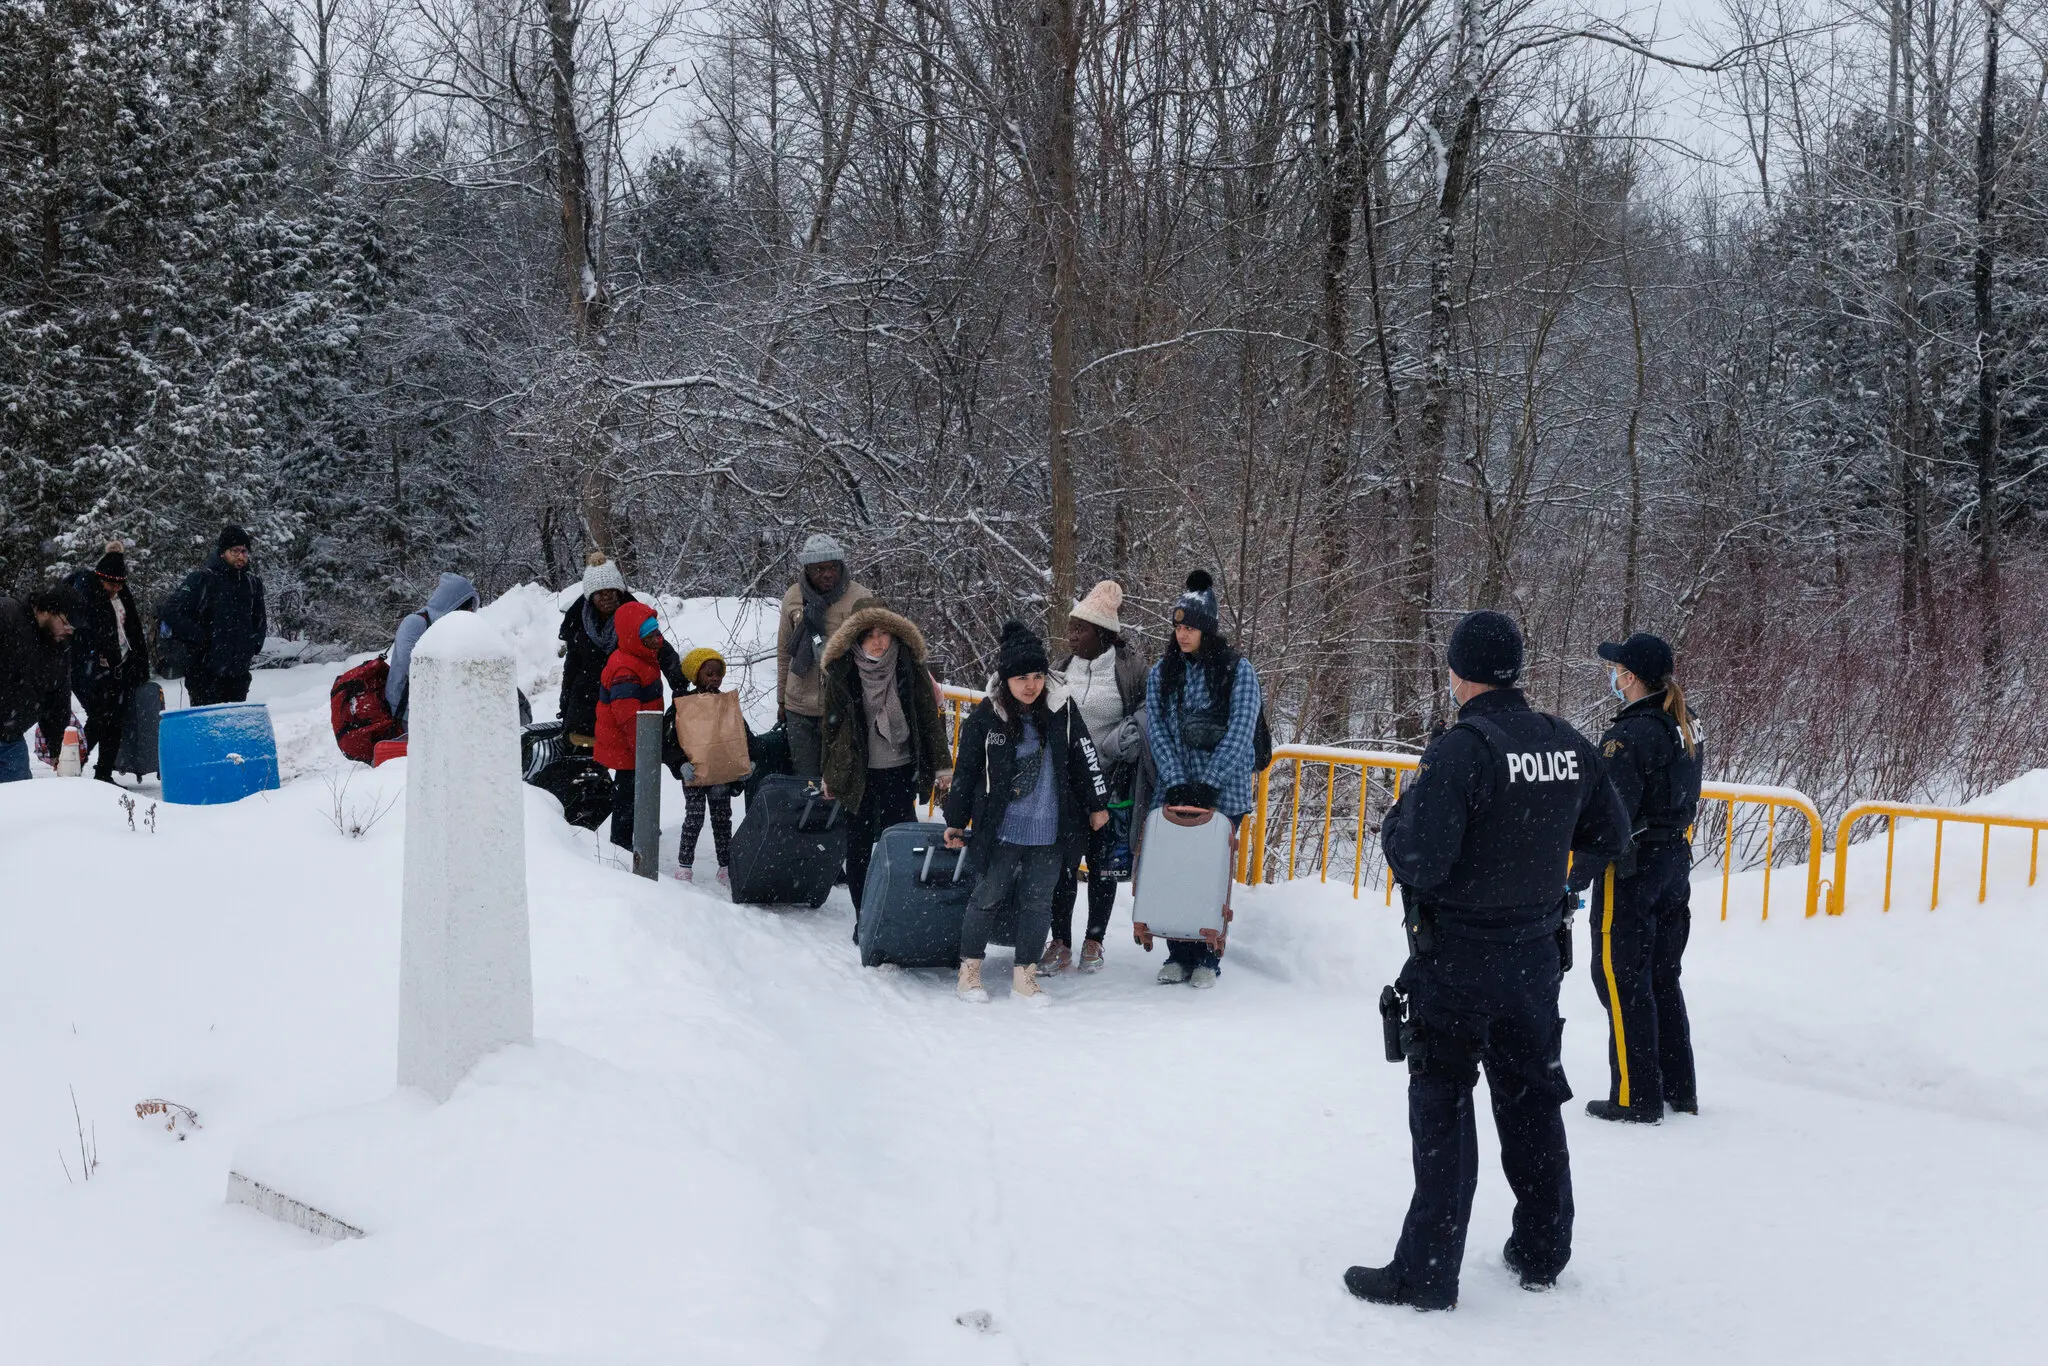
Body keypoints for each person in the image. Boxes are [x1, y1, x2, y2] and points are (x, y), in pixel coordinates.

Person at [1345, 609, 1629, 1312]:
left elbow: (1424, 860)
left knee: (1443, 1106)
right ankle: (1542, 1249)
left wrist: (1393, 827)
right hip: (1534, 959)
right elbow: (1613, 832)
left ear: (1458, 673)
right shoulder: (1565, 743)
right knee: (1532, 1100)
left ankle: (1427, 1272)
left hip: (1458, 961)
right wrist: (1565, 884)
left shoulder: (1461, 751)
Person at [942, 622, 1110, 1005]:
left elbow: (1085, 756)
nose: (1031, 685)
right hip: (1000, 829)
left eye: (1037, 676)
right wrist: (955, 820)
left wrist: (1098, 803)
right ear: (1006, 679)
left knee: (1038, 902)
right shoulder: (987, 716)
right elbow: (966, 771)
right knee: (986, 897)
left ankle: (1026, 975)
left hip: (1050, 828)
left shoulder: (1061, 708)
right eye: (1021, 678)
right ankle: (969, 971)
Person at [1587, 631, 1706, 1123]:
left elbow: (1609, 820)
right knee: (1661, 974)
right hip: (1673, 862)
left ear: (1631, 677)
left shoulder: (1628, 736)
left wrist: (1574, 876)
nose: (1613, 677)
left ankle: (1636, 1096)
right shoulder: (1684, 722)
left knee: (1619, 977)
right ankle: (1678, 1087)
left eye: (1617, 670)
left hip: (1632, 869)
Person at [1143, 570, 1264, 989]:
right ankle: (1178, 953)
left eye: (1190, 626)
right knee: (1176, 871)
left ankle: (1209, 957)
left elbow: (1241, 730)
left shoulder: (1238, 670)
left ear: (1206, 628)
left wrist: (1211, 782)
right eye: (1178, 626)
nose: (1182, 634)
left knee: (1212, 874)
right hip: (1175, 787)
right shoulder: (1163, 671)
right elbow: (1156, 727)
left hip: (1223, 790)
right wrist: (1176, 779)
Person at [819, 603, 951, 928]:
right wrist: (829, 774)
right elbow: (831, 729)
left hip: (902, 770)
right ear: (856, 638)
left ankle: (899, 912)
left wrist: (942, 767)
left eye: (883, 633)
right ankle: (863, 917)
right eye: (869, 636)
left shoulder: (908, 664)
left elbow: (927, 719)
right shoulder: (843, 671)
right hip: (858, 774)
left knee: (902, 842)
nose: (878, 642)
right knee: (860, 845)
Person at [1041, 580, 1147, 975]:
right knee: (1063, 866)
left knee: (1103, 867)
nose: (1071, 635)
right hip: (1066, 787)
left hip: (1111, 784)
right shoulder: (1063, 667)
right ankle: (1061, 942)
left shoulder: (1130, 670)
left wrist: (1125, 740)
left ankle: (1094, 940)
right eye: (1070, 628)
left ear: (1101, 633)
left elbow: (1144, 716)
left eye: (1079, 629)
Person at [558, 552, 688, 750]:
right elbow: (572, 666)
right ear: (591, 596)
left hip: (629, 702)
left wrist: (679, 683)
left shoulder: (636, 616)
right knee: (588, 765)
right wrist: (565, 704)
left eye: (612, 590)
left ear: (620, 591)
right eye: (600, 592)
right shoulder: (579, 622)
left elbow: (661, 648)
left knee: (628, 760)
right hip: (586, 706)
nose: (607, 596)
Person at [778, 534, 877, 777]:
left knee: (841, 778)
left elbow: (875, 654)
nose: (827, 574)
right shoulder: (793, 597)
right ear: (807, 569)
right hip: (799, 706)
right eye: (819, 568)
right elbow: (783, 653)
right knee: (806, 781)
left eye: (833, 566)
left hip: (842, 705)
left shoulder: (861, 597)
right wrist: (781, 700)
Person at [65, 542, 149, 782]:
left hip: (117, 668)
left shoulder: (121, 595)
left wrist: (137, 661)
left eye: (120, 584)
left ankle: (103, 772)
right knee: (100, 717)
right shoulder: (85, 594)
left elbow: (132, 628)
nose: (116, 588)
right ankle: (73, 762)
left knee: (115, 720)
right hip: (88, 669)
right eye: (112, 584)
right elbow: (83, 634)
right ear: (100, 578)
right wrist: (98, 653)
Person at [162, 526, 267, 705]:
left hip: (238, 675)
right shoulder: (202, 579)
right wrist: (200, 638)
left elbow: (260, 620)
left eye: (244, 551)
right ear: (222, 552)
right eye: (235, 551)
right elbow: (170, 611)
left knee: (233, 729)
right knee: (206, 730)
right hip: (204, 674)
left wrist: (253, 645)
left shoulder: (252, 584)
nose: (241, 556)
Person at [595, 602, 668, 852]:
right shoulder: (625, 668)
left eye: (658, 633)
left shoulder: (640, 658)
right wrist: (645, 752)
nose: (659, 640)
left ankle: (633, 839)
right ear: (635, 638)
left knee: (634, 798)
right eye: (652, 636)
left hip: (635, 748)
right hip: (630, 749)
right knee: (628, 801)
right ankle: (622, 851)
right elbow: (629, 719)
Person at [673, 647, 745, 884]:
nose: (715, 678)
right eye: (709, 673)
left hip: (721, 774)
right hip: (694, 772)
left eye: (719, 673)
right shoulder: (683, 705)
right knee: (694, 818)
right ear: (696, 675)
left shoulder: (727, 704)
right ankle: (685, 865)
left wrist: (746, 762)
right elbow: (668, 741)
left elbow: (742, 735)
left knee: (722, 819)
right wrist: (679, 763)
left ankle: (725, 865)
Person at [0, 585, 81, 783]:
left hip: (11, 741)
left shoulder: (59, 649)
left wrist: (57, 748)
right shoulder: (7, 615)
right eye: (66, 624)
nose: (68, 632)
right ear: (50, 610)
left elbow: (58, 700)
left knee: (20, 806)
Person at [385, 573, 482, 728]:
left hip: (436, 709)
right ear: (455, 603)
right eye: (468, 608)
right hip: (407, 710)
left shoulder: (450, 628)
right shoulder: (415, 622)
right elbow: (412, 667)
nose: (470, 613)